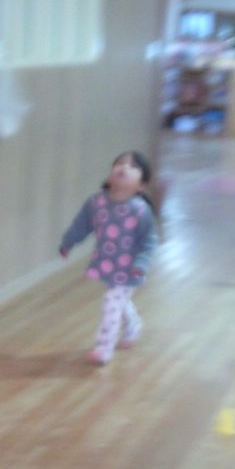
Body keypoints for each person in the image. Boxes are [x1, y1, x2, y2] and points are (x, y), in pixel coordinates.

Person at [59, 150, 159, 365]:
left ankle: (104, 348)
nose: (124, 167)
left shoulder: (140, 210)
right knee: (118, 302)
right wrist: (67, 243)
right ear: (110, 174)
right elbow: (81, 226)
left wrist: (141, 263)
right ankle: (133, 326)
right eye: (119, 163)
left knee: (110, 303)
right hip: (108, 264)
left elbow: (149, 241)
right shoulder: (96, 203)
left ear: (141, 186)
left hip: (130, 269)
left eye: (133, 167)